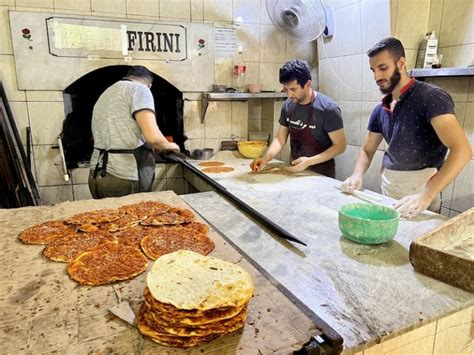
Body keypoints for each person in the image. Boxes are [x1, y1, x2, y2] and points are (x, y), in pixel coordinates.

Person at [341, 37, 471, 219]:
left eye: (383, 68)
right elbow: (367, 150)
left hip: (421, 194)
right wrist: (356, 175)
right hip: (388, 190)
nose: (377, 77)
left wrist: (426, 195)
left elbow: (462, 150)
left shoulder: (431, 98)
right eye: (373, 70)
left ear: (401, 63)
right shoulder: (381, 109)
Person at [89, 65, 179, 198]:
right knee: (135, 218)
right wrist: (169, 145)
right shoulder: (140, 90)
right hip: (122, 177)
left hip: (97, 175)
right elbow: (153, 138)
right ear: (149, 85)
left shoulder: (108, 92)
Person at [250, 59, 346, 177]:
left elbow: (340, 146)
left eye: (293, 89)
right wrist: (266, 158)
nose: (289, 95)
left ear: (308, 84)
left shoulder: (328, 109)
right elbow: (280, 138)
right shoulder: (288, 106)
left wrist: (309, 161)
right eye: (286, 90)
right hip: (294, 172)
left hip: (320, 176)